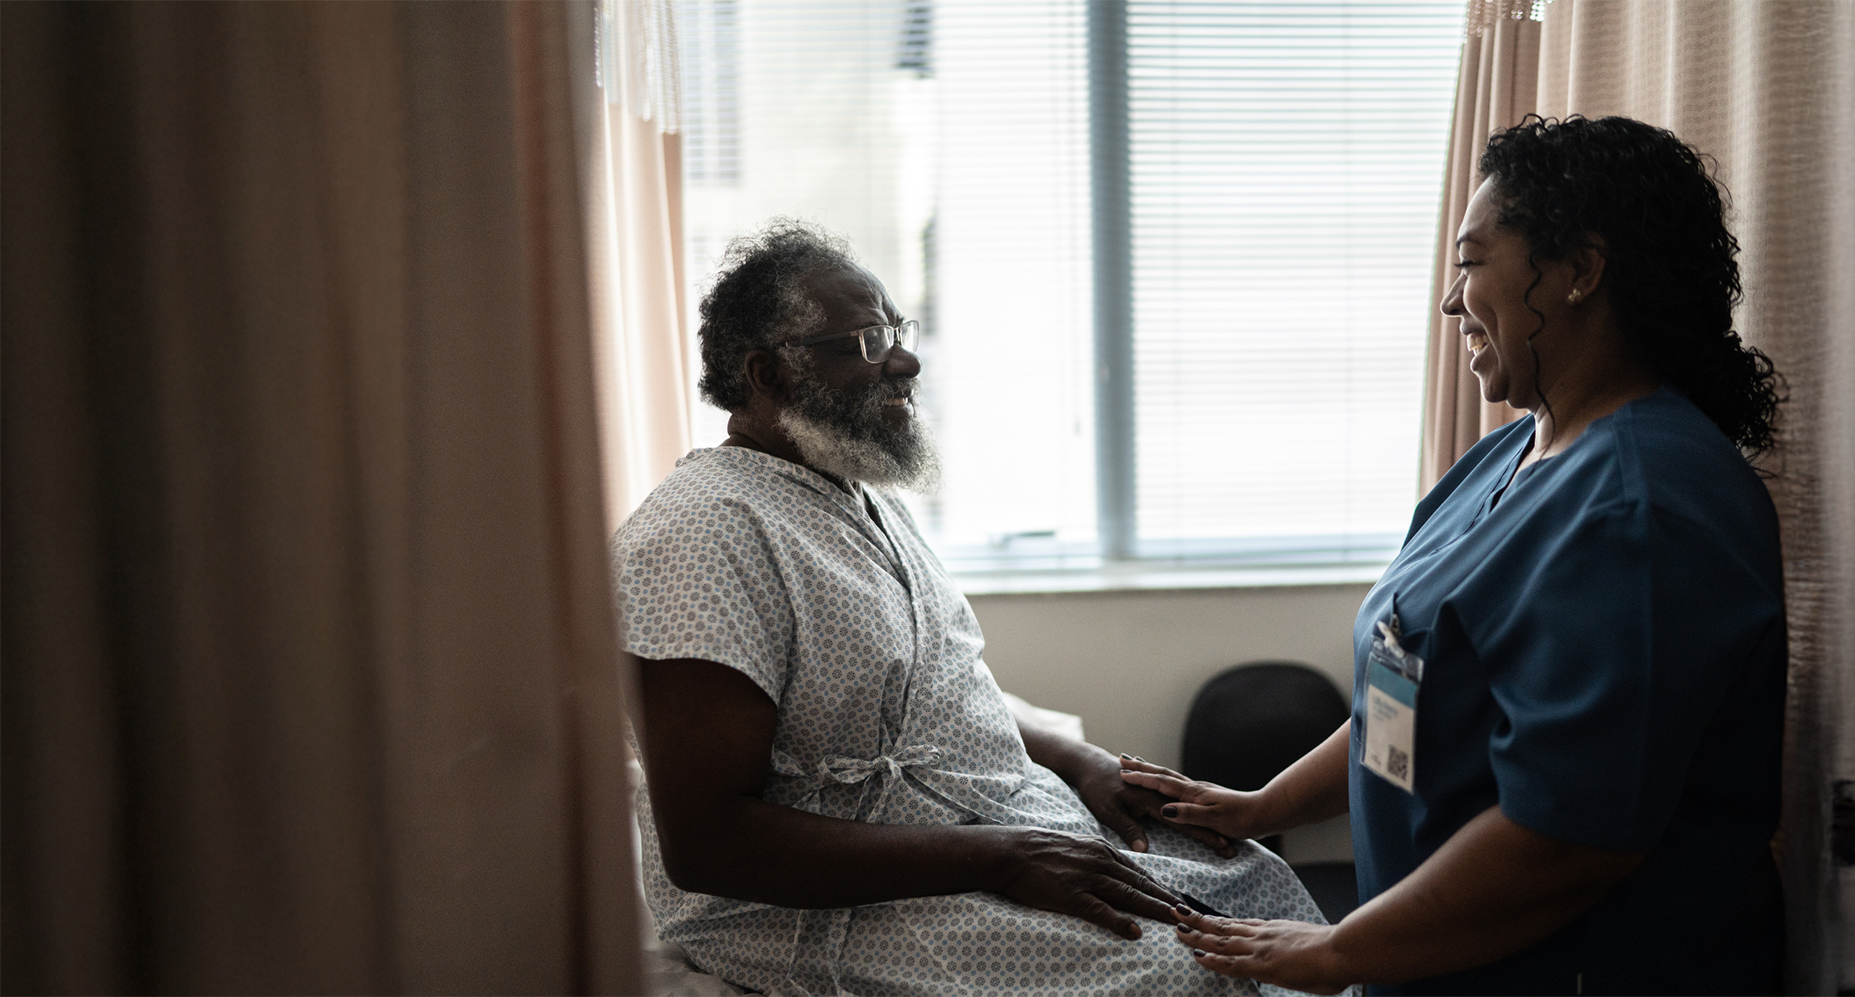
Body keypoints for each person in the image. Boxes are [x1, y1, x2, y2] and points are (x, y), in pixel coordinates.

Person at [1123, 116, 1788, 995]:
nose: (1450, 301)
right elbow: (1407, 687)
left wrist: (1339, 950)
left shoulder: (1642, 509)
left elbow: (1566, 841)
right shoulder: (1510, 456)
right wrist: (1262, 806)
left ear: (1581, 271)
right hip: (1426, 957)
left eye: (1473, 263)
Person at [616, 221, 1328, 997]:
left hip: (983, 825)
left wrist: (1075, 759)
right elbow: (709, 841)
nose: (905, 360)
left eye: (895, 328)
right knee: (1184, 971)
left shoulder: (851, 497)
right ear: (767, 374)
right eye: (863, 341)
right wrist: (1000, 855)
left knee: (1254, 886)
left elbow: (927, 700)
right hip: (819, 898)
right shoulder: (699, 537)